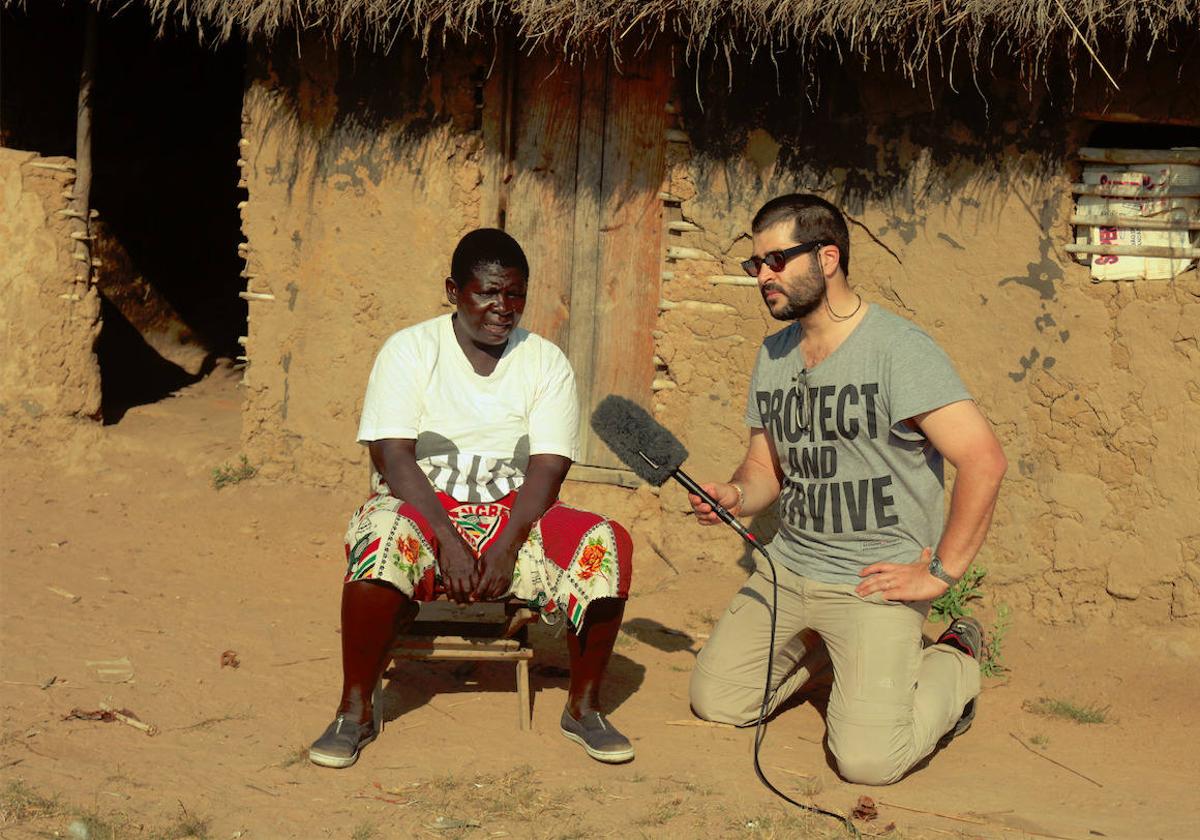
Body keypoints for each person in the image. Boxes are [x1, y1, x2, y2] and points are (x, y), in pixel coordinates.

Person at [686, 194, 1007, 785]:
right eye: (755, 264)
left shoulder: (897, 350)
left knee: (868, 761)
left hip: (872, 583)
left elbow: (983, 461)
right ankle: (832, 656)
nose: (763, 276)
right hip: (790, 568)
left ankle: (955, 658)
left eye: (776, 260)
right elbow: (765, 470)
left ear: (827, 257)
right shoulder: (774, 354)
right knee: (718, 702)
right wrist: (734, 495)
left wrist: (940, 572)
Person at [309, 228, 635, 769]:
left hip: (514, 517)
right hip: (423, 512)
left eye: (514, 294)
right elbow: (392, 457)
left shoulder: (545, 361)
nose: (502, 307)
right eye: (486, 292)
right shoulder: (410, 350)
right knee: (379, 535)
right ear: (453, 290)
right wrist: (448, 540)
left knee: (606, 540)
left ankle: (584, 709)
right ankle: (355, 709)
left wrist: (507, 544)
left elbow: (549, 466)